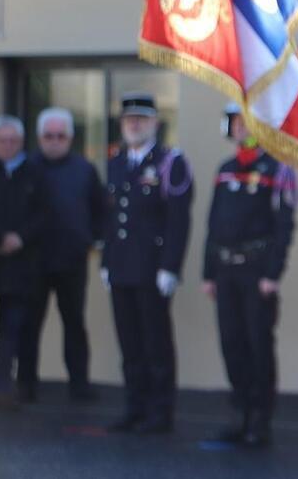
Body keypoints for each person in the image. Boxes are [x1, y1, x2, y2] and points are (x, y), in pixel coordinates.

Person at [202, 103, 296, 448]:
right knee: (232, 344)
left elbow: (285, 225)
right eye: (236, 122)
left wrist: (273, 273)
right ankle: (239, 414)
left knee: (258, 346)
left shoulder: (277, 168)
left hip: (257, 272)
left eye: (247, 122)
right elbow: (213, 224)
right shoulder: (225, 169)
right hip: (225, 271)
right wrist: (208, 272)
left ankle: (260, 420)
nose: (241, 128)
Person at [102, 93, 193, 433]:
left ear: (155, 123)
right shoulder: (116, 161)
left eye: (141, 119)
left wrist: (171, 267)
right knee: (129, 344)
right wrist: (107, 261)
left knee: (156, 344)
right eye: (129, 120)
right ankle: (134, 407)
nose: (134, 125)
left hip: (153, 269)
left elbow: (178, 220)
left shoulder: (171, 162)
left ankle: (160, 413)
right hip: (122, 267)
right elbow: (110, 217)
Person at [17, 107, 103, 403]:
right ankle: (26, 384)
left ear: (70, 137)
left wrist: (92, 240)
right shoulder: (26, 167)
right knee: (29, 325)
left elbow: (100, 209)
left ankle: (79, 384)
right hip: (33, 262)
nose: (54, 141)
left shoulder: (85, 169)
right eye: (48, 136)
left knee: (74, 325)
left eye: (60, 136)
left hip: (72, 260)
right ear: (40, 137)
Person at [0, 116, 47, 409]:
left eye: (13, 140)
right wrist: (0, 238)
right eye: (2, 140)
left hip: (20, 266)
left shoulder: (34, 173)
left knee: (12, 330)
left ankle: (4, 385)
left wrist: (21, 238)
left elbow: (44, 214)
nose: (7, 145)